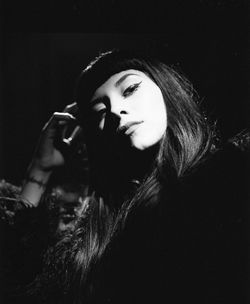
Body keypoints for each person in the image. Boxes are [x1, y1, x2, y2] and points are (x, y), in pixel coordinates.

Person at [3, 48, 249, 303]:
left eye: (130, 90)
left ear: (166, 90)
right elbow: (22, 280)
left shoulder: (234, 175)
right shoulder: (98, 230)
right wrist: (40, 169)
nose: (115, 111)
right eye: (100, 110)